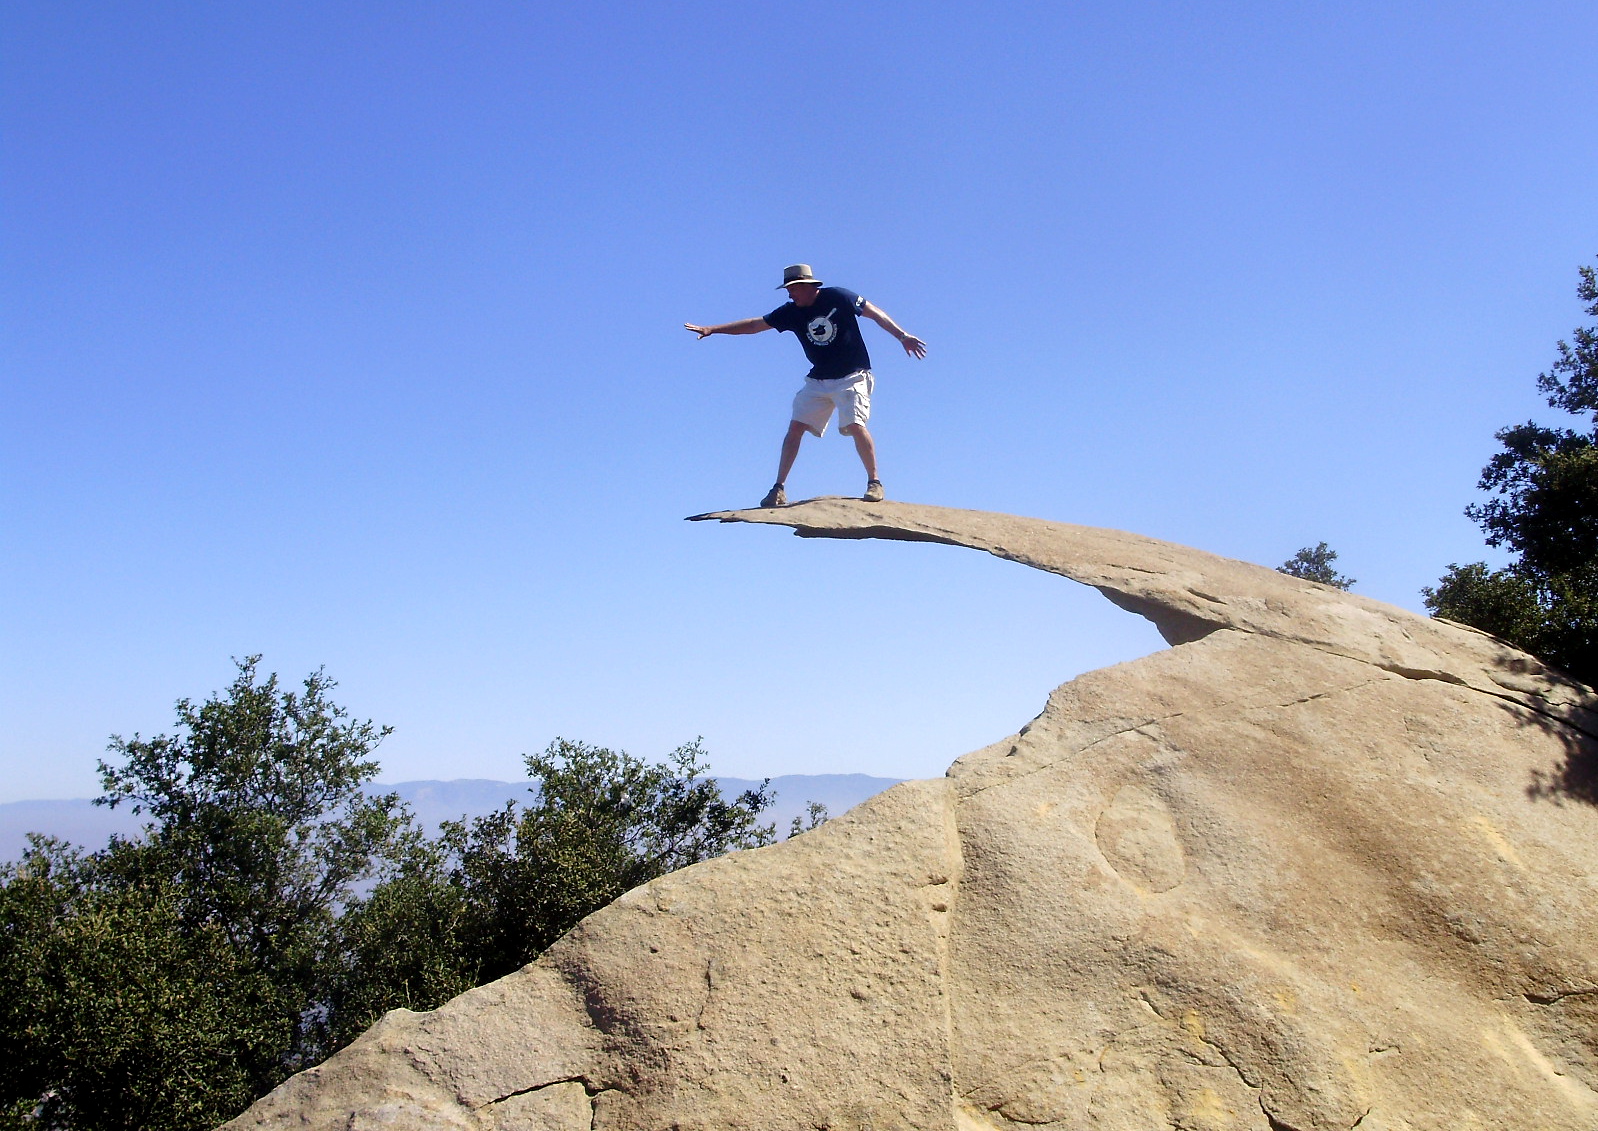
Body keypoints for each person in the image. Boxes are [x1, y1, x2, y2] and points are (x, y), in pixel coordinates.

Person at [685, 263, 926, 507]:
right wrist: (712, 329)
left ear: (808, 286)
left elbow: (874, 313)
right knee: (795, 428)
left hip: (853, 375)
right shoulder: (791, 312)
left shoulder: (838, 297)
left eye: (793, 289)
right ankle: (778, 489)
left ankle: (874, 482)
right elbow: (754, 325)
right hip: (818, 379)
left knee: (855, 424)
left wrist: (903, 336)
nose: (790, 295)